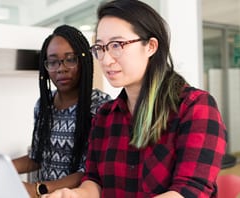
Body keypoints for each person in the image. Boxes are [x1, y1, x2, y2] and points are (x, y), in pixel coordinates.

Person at [43, 1, 227, 198]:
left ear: (151, 46)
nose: (105, 59)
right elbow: (94, 180)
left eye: (116, 45)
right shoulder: (105, 116)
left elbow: (189, 190)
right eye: (100, 47)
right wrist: (76, 195)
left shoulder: (195, 107)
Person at [12, 24, 111, 198]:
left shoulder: (100, 106)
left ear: (83, 61)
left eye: (70, 59)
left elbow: (89, 171)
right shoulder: (44, 105)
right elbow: (37, 157)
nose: (61, 68)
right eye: (52, 61)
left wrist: (38, 189)